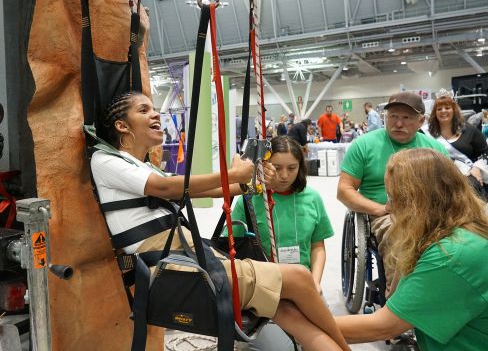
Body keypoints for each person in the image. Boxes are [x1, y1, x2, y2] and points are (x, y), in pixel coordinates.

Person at [90, 91, 349, 351]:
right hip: (176, 268)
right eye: (143, 110)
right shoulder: (105, 161)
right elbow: (167, 188)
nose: (156, 113)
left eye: (153, 108)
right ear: (122, 126)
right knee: (300, 278)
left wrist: (253, 183)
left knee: (288, 310)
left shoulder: (143, 167)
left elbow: (211, 190)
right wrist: (232, 173)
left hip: (186, 257)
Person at [335, 149, 488, 350]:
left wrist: (301, 321)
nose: (389, 207)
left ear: (416, 202)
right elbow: (394, 297)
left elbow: (384, 326)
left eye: (393, 197)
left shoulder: (449, 254)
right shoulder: (457, 230)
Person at [231, 136, 334, 351]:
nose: (285, 175)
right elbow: (232, 249)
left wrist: (314, 283)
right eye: (277, 168)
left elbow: (318, 247)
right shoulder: (247, 200)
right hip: (262, 290)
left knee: (325, 339)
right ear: (265, 166)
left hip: (303, 289)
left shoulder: (313, 198)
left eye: (292, 167)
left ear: (301, 167)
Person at [337, 92, 449, 288]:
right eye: (393, 117)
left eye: (406, 118)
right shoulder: (364, 145)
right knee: (402, 238)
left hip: (429, 213)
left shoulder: (435, 149)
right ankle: (397, 303)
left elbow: (449, 191)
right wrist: (379, 209)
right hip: (384, 214)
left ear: (421, 120)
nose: (398, 124)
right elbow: (344, 190)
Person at [426, 90, 488, 199]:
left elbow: (485, 153)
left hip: (469, 177)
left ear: (454, 110)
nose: (443, 111)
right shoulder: (426, 134)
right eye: (439, 109)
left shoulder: (470, 130)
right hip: (438, 180)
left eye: (447, 108)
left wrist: (477, 167)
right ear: (434, 113)